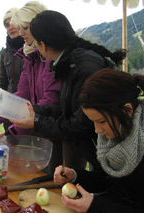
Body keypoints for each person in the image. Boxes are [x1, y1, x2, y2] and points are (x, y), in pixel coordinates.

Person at [11, 10, 126, 171]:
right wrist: (34, 112)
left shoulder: (84, 67)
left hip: (107, 151)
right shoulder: (70, 62)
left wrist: (36, 121)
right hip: (95, 148)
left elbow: (81, 124)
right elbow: (66, 107)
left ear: (42, 45)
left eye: (36, 43)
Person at [54, 68, 144, 212]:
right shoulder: (116, 132)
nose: (97, 130)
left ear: (127, 110)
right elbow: (106, 180)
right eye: (93, 122)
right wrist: (75, 176)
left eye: (100, 121)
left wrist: (96, 206)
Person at [0, 2, 60, 136]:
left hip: (55, 128)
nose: (20, 32)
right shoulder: (30, 57)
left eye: (24, 27)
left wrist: (14, 130)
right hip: (37, 125)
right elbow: (21, 95)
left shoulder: (49, 56)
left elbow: (51, 101)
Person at [0, 7, 25, 131]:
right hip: (10, 110)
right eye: (7, 25)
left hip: (32, 110)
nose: (10, 27)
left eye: (13, 23)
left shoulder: (32, 49)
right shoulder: (4, 54)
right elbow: (2, 84)